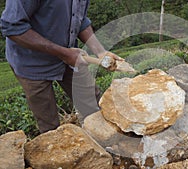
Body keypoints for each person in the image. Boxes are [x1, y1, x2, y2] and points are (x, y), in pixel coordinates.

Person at [0, 0, 123, 133]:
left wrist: (100, 51)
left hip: (69, 55)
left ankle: (106, 144)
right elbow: (12, 27)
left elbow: (79, 19)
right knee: (49, 125)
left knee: (94, 104)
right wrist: (64, 54)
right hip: (31, 62)